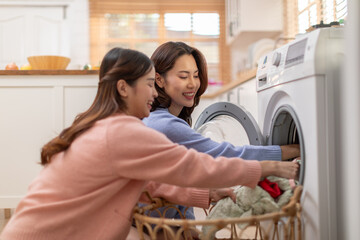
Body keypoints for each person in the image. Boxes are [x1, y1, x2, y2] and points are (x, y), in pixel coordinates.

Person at [0, 47, 298, 240]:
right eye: (148, 83)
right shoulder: (123, 132)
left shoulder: (105, 126)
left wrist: (204, 194)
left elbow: (148, 184)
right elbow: (194, 164)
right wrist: (267, 167)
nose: (154, 93)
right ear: (123, 88)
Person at [142, 41, 300, 220]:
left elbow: (181, 179)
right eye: (184, 76)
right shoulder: (165, 125)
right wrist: (292, 151)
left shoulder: (159, 118)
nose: (193, 84)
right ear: (159, 79)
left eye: (196, 75)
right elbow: (222, 154)